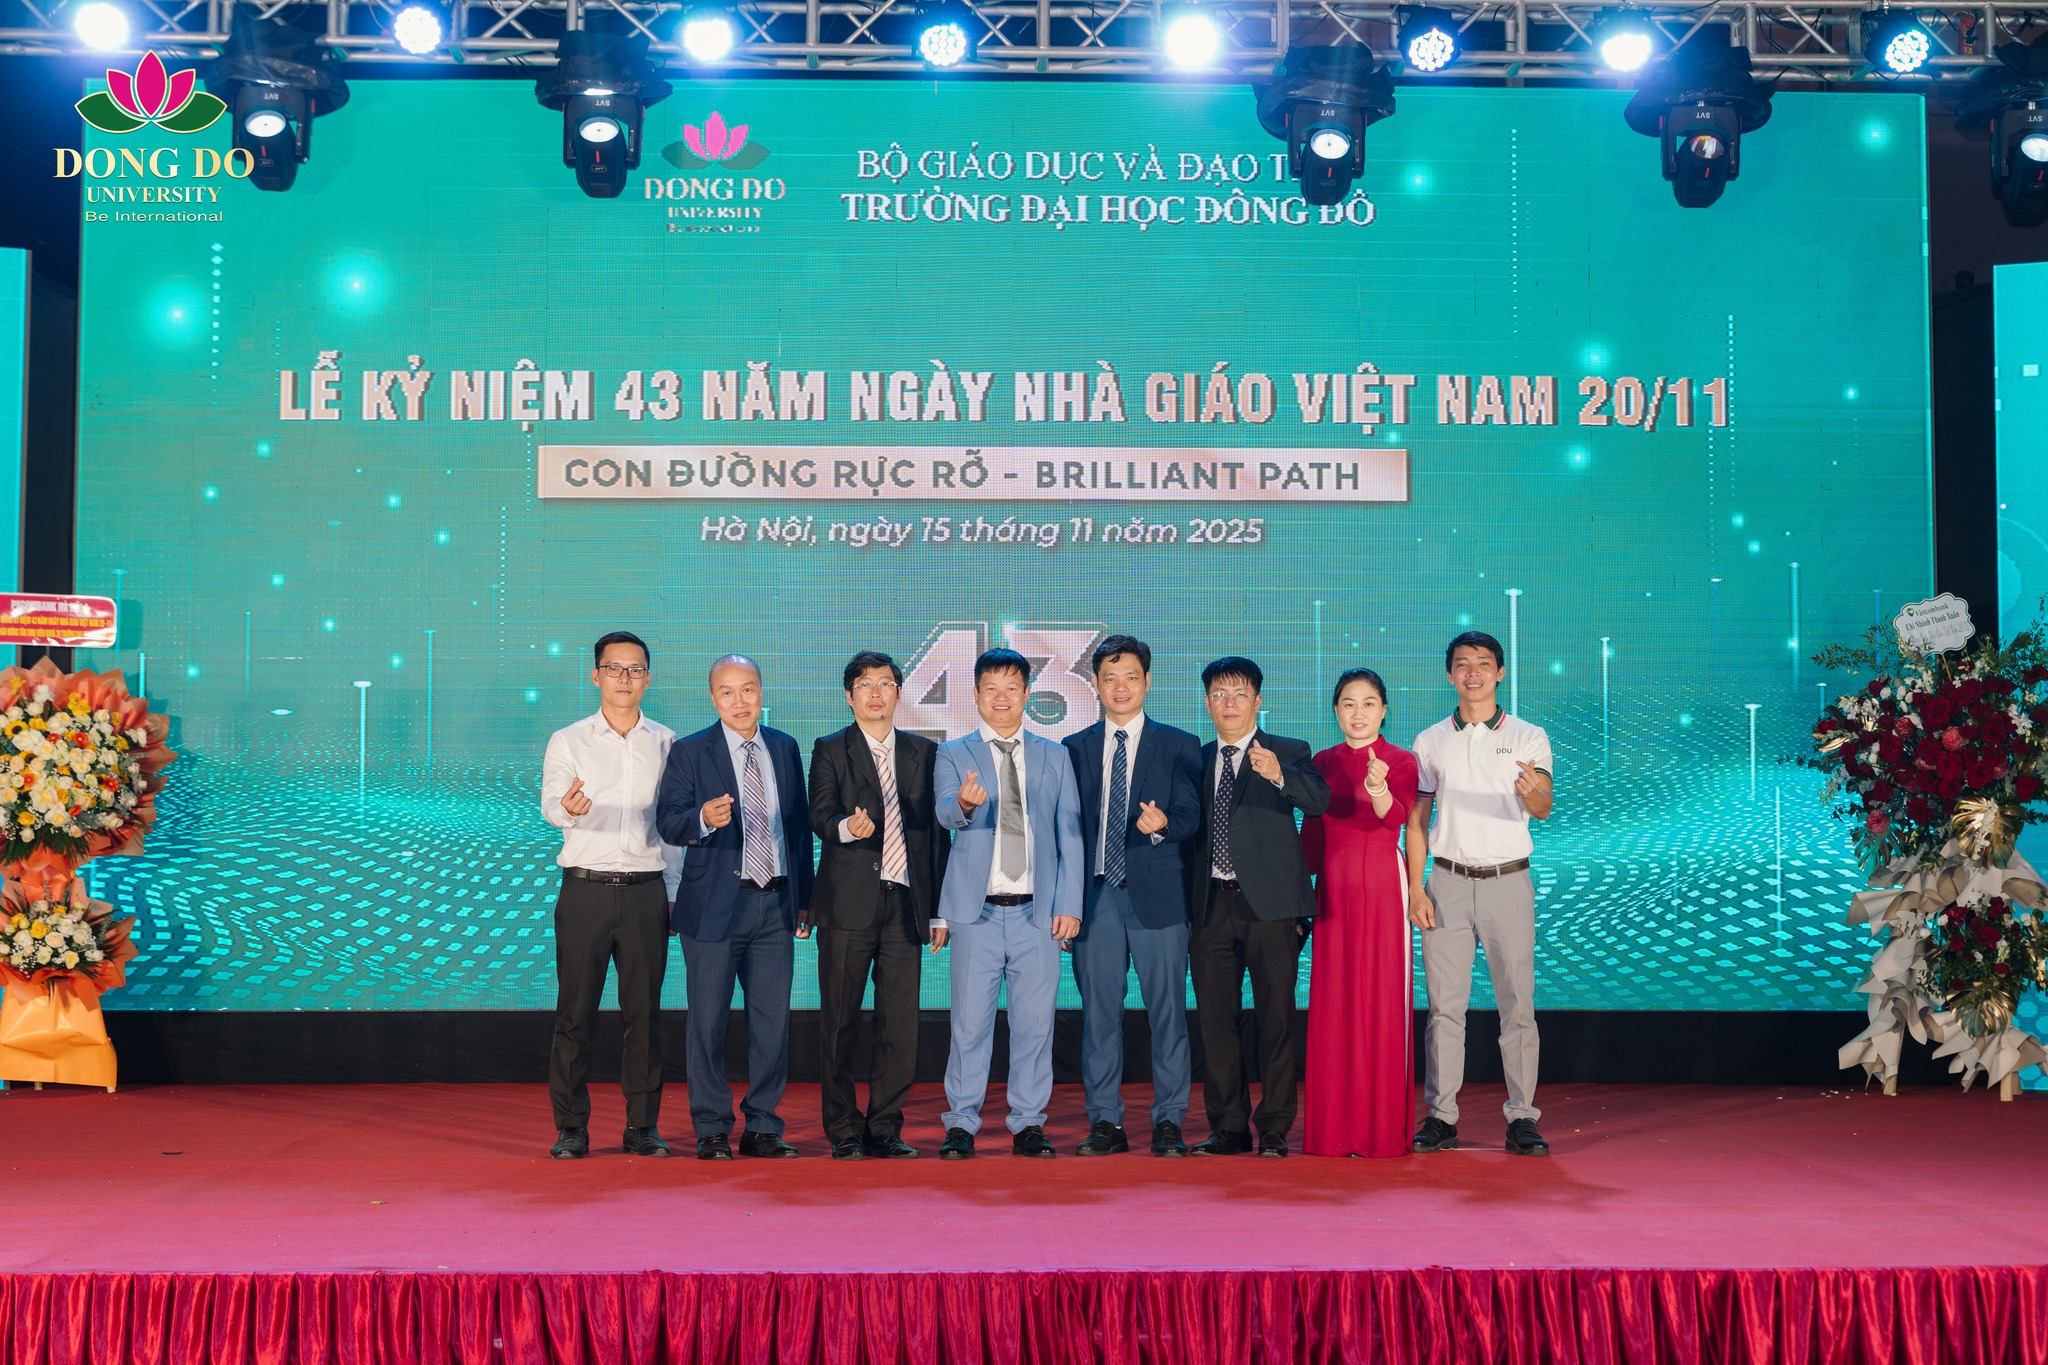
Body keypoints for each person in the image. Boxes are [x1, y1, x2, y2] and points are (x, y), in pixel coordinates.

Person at [656, 653, 814, 1161]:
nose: (739, 701)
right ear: (713, 697)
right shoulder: (689, 751)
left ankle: (763, 1126)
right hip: (714, 907)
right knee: (707, 1023)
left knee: (772, 1024)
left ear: (761, 692)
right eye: (727, 692)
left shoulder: (784, 747)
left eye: (748, 689)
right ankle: (711, 1127)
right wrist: (702, 817)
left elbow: (797, 829)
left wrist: (805, 899)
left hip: (776, 903)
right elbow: (668, 823)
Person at [1406, 630, 1555, 1158]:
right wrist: (1415, 888)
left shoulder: (1529, 736)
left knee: (1517, 1005)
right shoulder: (1430, 741)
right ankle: (1441, 1116)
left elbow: (1543, 806)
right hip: (1446, 882)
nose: (1473, 673)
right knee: (1444, 1009)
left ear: (1500, 672)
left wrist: (1531, 791)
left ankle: (1523, 1118)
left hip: (1508, 882)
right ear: (1449, 674)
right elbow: (1417, 821)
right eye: (1463, 664)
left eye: (1484, 663)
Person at [932, 647, 1085, 1159]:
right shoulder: (953, 752)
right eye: (991, 688)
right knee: (969, 1025)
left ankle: (1028, 1123)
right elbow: (944, 812)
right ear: (976, 695)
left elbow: (1070, 834)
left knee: (1035, 1026)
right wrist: (964, 803)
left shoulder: (1055, 755)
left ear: (1026, 694)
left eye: (1012, 688)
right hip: (975, 913)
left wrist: (1069, 903)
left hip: (1036, 913)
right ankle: (961, 1122)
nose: (1002, 698)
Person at [538, 631, 683, 1159]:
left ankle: (642, 1126)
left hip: (646, 892)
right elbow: (551, 803)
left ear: (649, 677)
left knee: (643, 1016)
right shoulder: (568, 740)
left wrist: (674, 893)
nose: (625, 678)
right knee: (575, 1014)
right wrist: (568, 809)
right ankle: (571, 1127)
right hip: (586, 892)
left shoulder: (668, 744)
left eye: (635, 669)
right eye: (614, 668)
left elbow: (673, 830)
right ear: (595, 675)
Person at [1061, 634, 1203, 1157]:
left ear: (1148, 681)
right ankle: (1105, 1121)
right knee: (1099, 1017)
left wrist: (1164, 825)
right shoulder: (1073, 748)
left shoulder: (1179, 744)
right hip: (1095, 899)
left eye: (1131, 677)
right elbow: (1063, 832)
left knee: (1168, 1013)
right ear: (1095, 685)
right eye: (1110, 678)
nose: (1120, 687)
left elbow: (1190, 815)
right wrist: (1064, 905)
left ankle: (1169, 1121)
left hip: (1159, 897)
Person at [808, 650, 951, 1160]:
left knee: (900, 1025)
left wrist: (938, 910)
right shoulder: (830, 748)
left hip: (906, 905)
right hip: (847, 905)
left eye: (885, 683)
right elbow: (819, 814)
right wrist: (848, 828)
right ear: (849, 697)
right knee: (839, 1023)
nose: (876, 692)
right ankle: (843, 1129)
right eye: (865, 684)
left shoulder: (924, 752)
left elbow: (937, 838)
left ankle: (885, 1126)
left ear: (898, 693)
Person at [1186, 656, 1331, 1157]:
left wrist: (1279, 775)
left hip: (1272, 909)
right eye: (1219, 695)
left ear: (1258, 701)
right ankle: (1228, 1127)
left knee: (1276, 1020)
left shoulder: (1288, 750)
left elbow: (1319, 803)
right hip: (1211, 907)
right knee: (1215, 1022)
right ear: (1207, 703)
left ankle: (1274, 1127)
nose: (1229, 703)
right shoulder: (1196, 759)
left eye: (1240, 694)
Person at [1301, 668, 1419, 1159]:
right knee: (1333, 1003)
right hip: (1332, 891)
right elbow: (1311, 839)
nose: (1358, 713)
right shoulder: (1321, 762)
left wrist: (1378, 787)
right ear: (1335, 710)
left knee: (1381, 1000)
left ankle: (1380, 1129)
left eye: (1369, 703)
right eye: (1348, 703)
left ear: (1384, 710)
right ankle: (1334, 1131)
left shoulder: (1401, 760)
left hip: (1382, 889)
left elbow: (1397, 818)